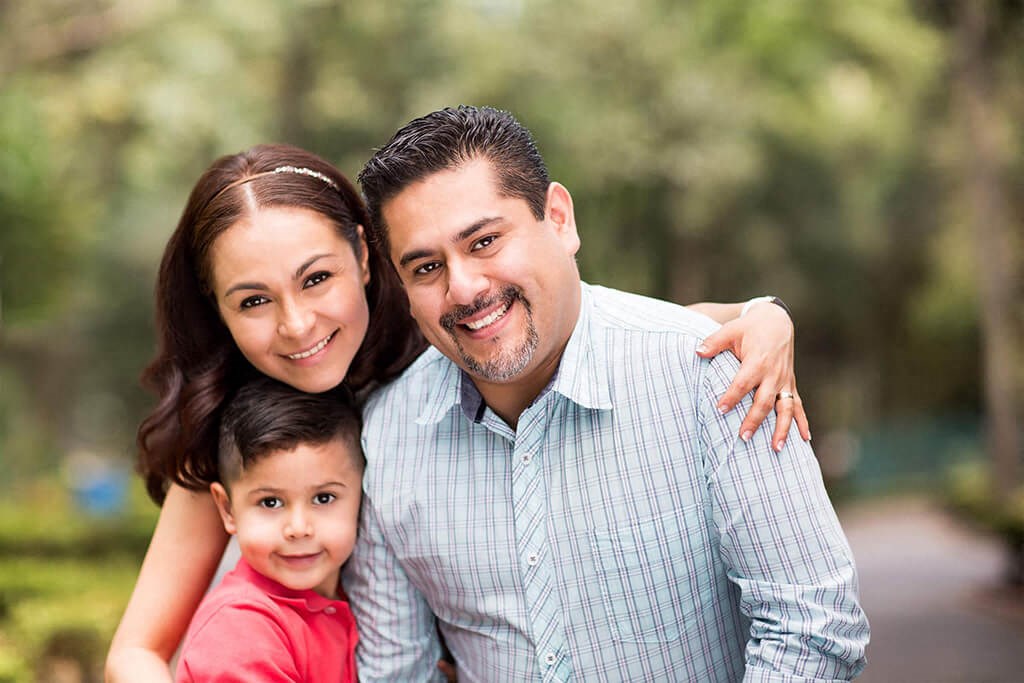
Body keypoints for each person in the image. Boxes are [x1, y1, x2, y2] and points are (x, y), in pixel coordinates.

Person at [105, 141, 806, 682]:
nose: (296, 323)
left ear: (365, 251)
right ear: (218, 310)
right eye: (253, 300)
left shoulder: (445, 339)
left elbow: (608, 330)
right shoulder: (235, 436)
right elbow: (136, 648)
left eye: (316, 278)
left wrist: (761, 315)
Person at [344, 105, 869, 681]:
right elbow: (398, 670)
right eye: (425, 268)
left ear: (559, 219)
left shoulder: (713, 375)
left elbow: (811, 625)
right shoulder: (388, 433)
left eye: (486, 241)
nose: (464, 287)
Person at [175, 376, 362, 682]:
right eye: (271, 502)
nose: (298, 529)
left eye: (323, 498)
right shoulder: (239, 630)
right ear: (227, 508)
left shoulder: (363, 594)